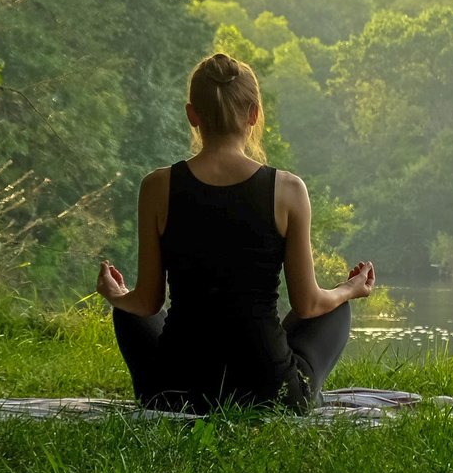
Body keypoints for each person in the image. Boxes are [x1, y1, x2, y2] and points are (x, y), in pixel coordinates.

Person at [96, 52, 375, 413]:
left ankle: (157, 391)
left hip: (175, 388)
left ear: (192, 115)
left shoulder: (157, 187)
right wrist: (349, 289)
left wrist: (115, 295)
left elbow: (147, 303)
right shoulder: (288, 190)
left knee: (128, 311)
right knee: (335, 310)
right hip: (268, 391)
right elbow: (307, 305)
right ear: (254, 114)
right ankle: (305, 396)